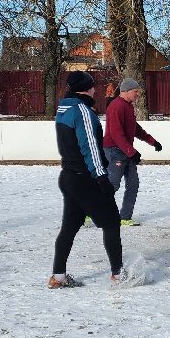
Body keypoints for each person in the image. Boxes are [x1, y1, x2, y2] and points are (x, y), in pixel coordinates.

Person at [49, 71, 123, 287]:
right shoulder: (82, 111)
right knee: (111, 222)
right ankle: (118, 275)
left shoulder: (64, 107)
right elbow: (89, 147)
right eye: (92, 86)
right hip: (85, 178)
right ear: (87, 88)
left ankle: (58, 277)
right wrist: (101, 178)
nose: (95, 89)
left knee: (69, 227)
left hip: (69, 177)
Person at [102, 77, 162, 226]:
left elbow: (135, 128)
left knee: (133, 184)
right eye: (136, 92)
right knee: (113, 184)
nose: (138, 94)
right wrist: (131, 152)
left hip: (125, 151)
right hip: (115, 150)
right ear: (127, 91)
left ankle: (125, 217)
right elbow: (116, 134)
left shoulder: (128, 106)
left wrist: (152, 141)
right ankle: (91, 210)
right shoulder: (116, 106)